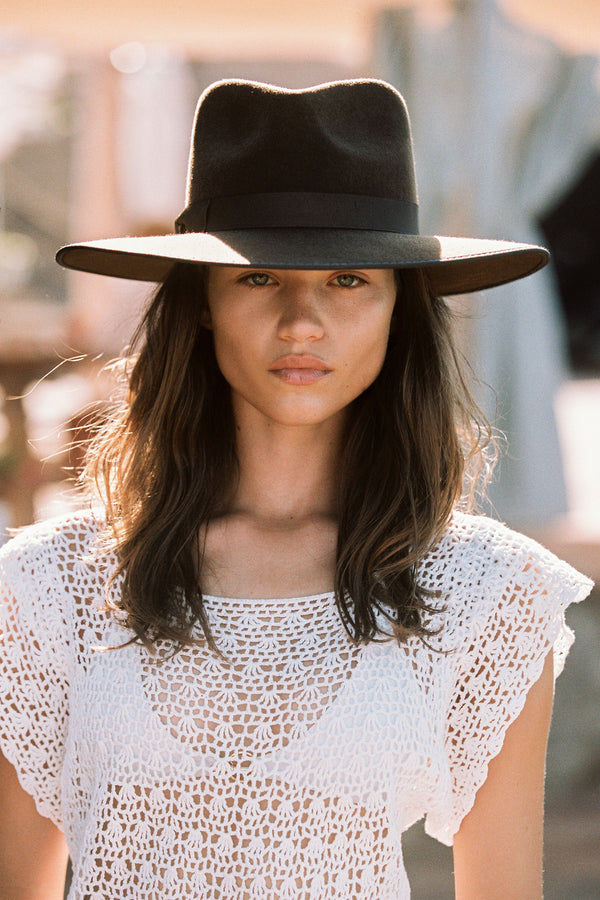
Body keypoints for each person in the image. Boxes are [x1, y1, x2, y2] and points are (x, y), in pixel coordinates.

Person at [0, 78, 593, 900]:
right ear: (201, 304)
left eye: (349, 280)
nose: (303, 320)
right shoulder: (43, 585)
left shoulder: (493, 592)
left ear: (399, 309)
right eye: (259, 279)